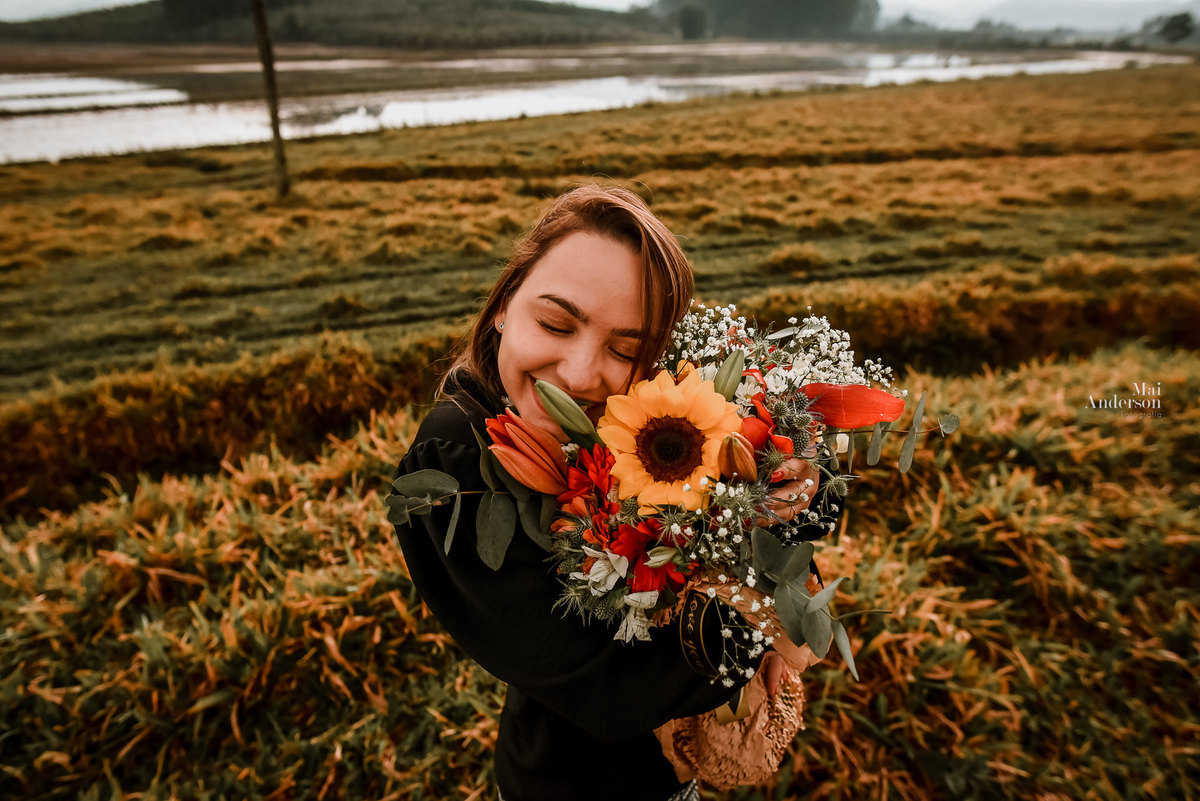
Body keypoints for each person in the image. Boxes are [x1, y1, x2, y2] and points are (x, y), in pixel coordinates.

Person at [389, 184, 837, 800]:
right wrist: (773, 613)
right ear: (502, 303)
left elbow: (807, 500)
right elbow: (616, 690)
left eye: (625, 349)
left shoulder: (647, 417)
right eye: (554, 322)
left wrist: (789, 484)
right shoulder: (454, 467)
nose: (577, 374)